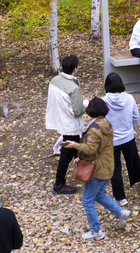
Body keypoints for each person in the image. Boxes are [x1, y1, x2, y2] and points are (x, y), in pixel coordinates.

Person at [63, 98, 132, 241]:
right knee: (99, 194)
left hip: (97, 170)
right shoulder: (106, 123)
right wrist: (81, 157)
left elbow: (90, 148)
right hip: (108, 166)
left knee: (87, 200)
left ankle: (96, 231)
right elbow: (98, 148)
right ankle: (120, 212)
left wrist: (75, 146)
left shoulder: (94, 129)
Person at [102, 72, 140, 204]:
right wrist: (130, 128)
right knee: (133, 158)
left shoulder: (103, 101)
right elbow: (136, 116)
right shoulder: (129, 98)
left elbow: (101, 120)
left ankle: (120, 197)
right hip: (128, 137)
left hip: (111, 140)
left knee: (115, 168)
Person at [45, 55, 85, 195]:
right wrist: (86, 104)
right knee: (66, 154)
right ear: (75, 69)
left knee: (77, 150)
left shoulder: (55, 80)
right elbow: (78, 110)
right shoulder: (73, 88)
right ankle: (59, 184)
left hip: (61, 119)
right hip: (71, 125)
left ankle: (86, 173)